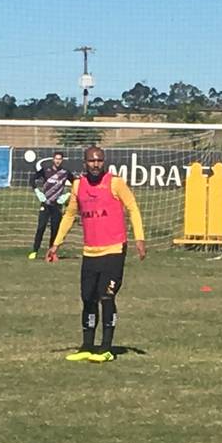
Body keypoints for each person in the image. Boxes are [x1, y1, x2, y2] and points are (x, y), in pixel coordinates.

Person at [46, 145, 146, 363]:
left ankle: (106, 348)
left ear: (104, 162)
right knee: (88, 298)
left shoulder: (115, 183)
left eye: (99, 160)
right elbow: (70, 215)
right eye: (91, 161)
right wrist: (56, 244)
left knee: (106, 296)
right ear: (84, 163)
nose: (95, 164)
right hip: (90, 252)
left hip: (114, 250)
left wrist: (139, 237)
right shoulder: (78, 186)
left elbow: (133, 207)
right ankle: (87, 346)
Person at [28, 151, 73, 260]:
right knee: (41, 227)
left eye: (60, 159)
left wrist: (67, 195)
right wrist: (38, 192)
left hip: (57, 205)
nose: (58, 161)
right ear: (53, 159)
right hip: (46, 203)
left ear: (62, 160)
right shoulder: (45, 170)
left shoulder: (65, 172)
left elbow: (76, 184)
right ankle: (35, 250)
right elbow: (32, 179)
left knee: (55, 229)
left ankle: (51, 252)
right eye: (56, 159)